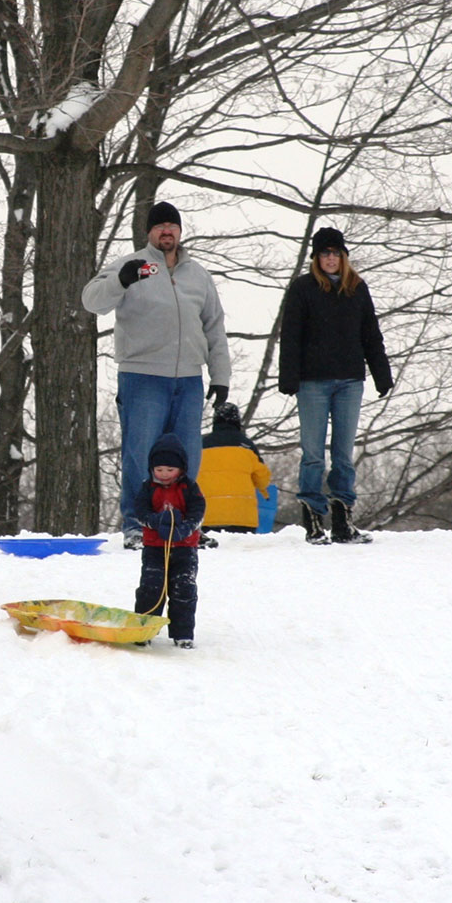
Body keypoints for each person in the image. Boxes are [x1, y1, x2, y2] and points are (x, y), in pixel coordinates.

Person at [82, 200, 232, 549]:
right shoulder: (131, 265)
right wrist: (121, 281)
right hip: (143, 376)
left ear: (179, 231)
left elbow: (214, 326)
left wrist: (220, 376)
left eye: (172, 226)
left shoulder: (197, 274)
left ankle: (187, 526)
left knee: (188, 457)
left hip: (189, 379)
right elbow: (92, 301)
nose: (167, 231)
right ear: (149, 232)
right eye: (160, 226)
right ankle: (136, 526)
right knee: (140, 453)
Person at [276, 226, 392, 544]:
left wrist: (382, 374)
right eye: (325, 253)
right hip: (312, 382)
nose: (330, 258)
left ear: (343, 256)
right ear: (316, 257)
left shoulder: (357, 288)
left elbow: (371, 335)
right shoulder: (303, 289)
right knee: (313, 452)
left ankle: (342, 518)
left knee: (343, 452)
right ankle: (313, 517)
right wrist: (288, 377)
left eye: (336, 253)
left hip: (350, 381)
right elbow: (291, 336)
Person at [132, 434, 204, 649]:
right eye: (159, 470)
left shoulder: (189, 488)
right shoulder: (148, 488)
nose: (164, 475)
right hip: (155, 547)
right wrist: (154, 522)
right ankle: (143, 629)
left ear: (180, 469)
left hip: (185, 548)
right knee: (151, 587)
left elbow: (198, 511)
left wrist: (186, 528)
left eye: (169, 470)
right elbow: (140, 511)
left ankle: (183, 633)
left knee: (184, 587)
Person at [200, 401, 273, 533]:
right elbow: (263, 479)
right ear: (237, 421)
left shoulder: (200, 446)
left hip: (206, 517)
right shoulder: (247, 446)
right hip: (242, 517)